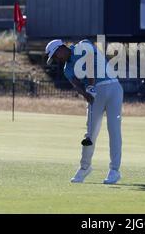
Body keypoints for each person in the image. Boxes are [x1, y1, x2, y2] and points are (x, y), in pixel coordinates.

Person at [45, 39, 123, 185]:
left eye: (56, 55)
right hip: (95, 95)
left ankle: (114, 170)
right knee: (90, 134)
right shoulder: (67, 69)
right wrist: (86, 94)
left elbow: (90, 64)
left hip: (112, 86)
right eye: (54, 58)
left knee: (114, 130)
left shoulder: (83, 45)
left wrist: (91, 85)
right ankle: (84, 168)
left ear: (61, 48)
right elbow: (76, 85)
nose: (57, 59)